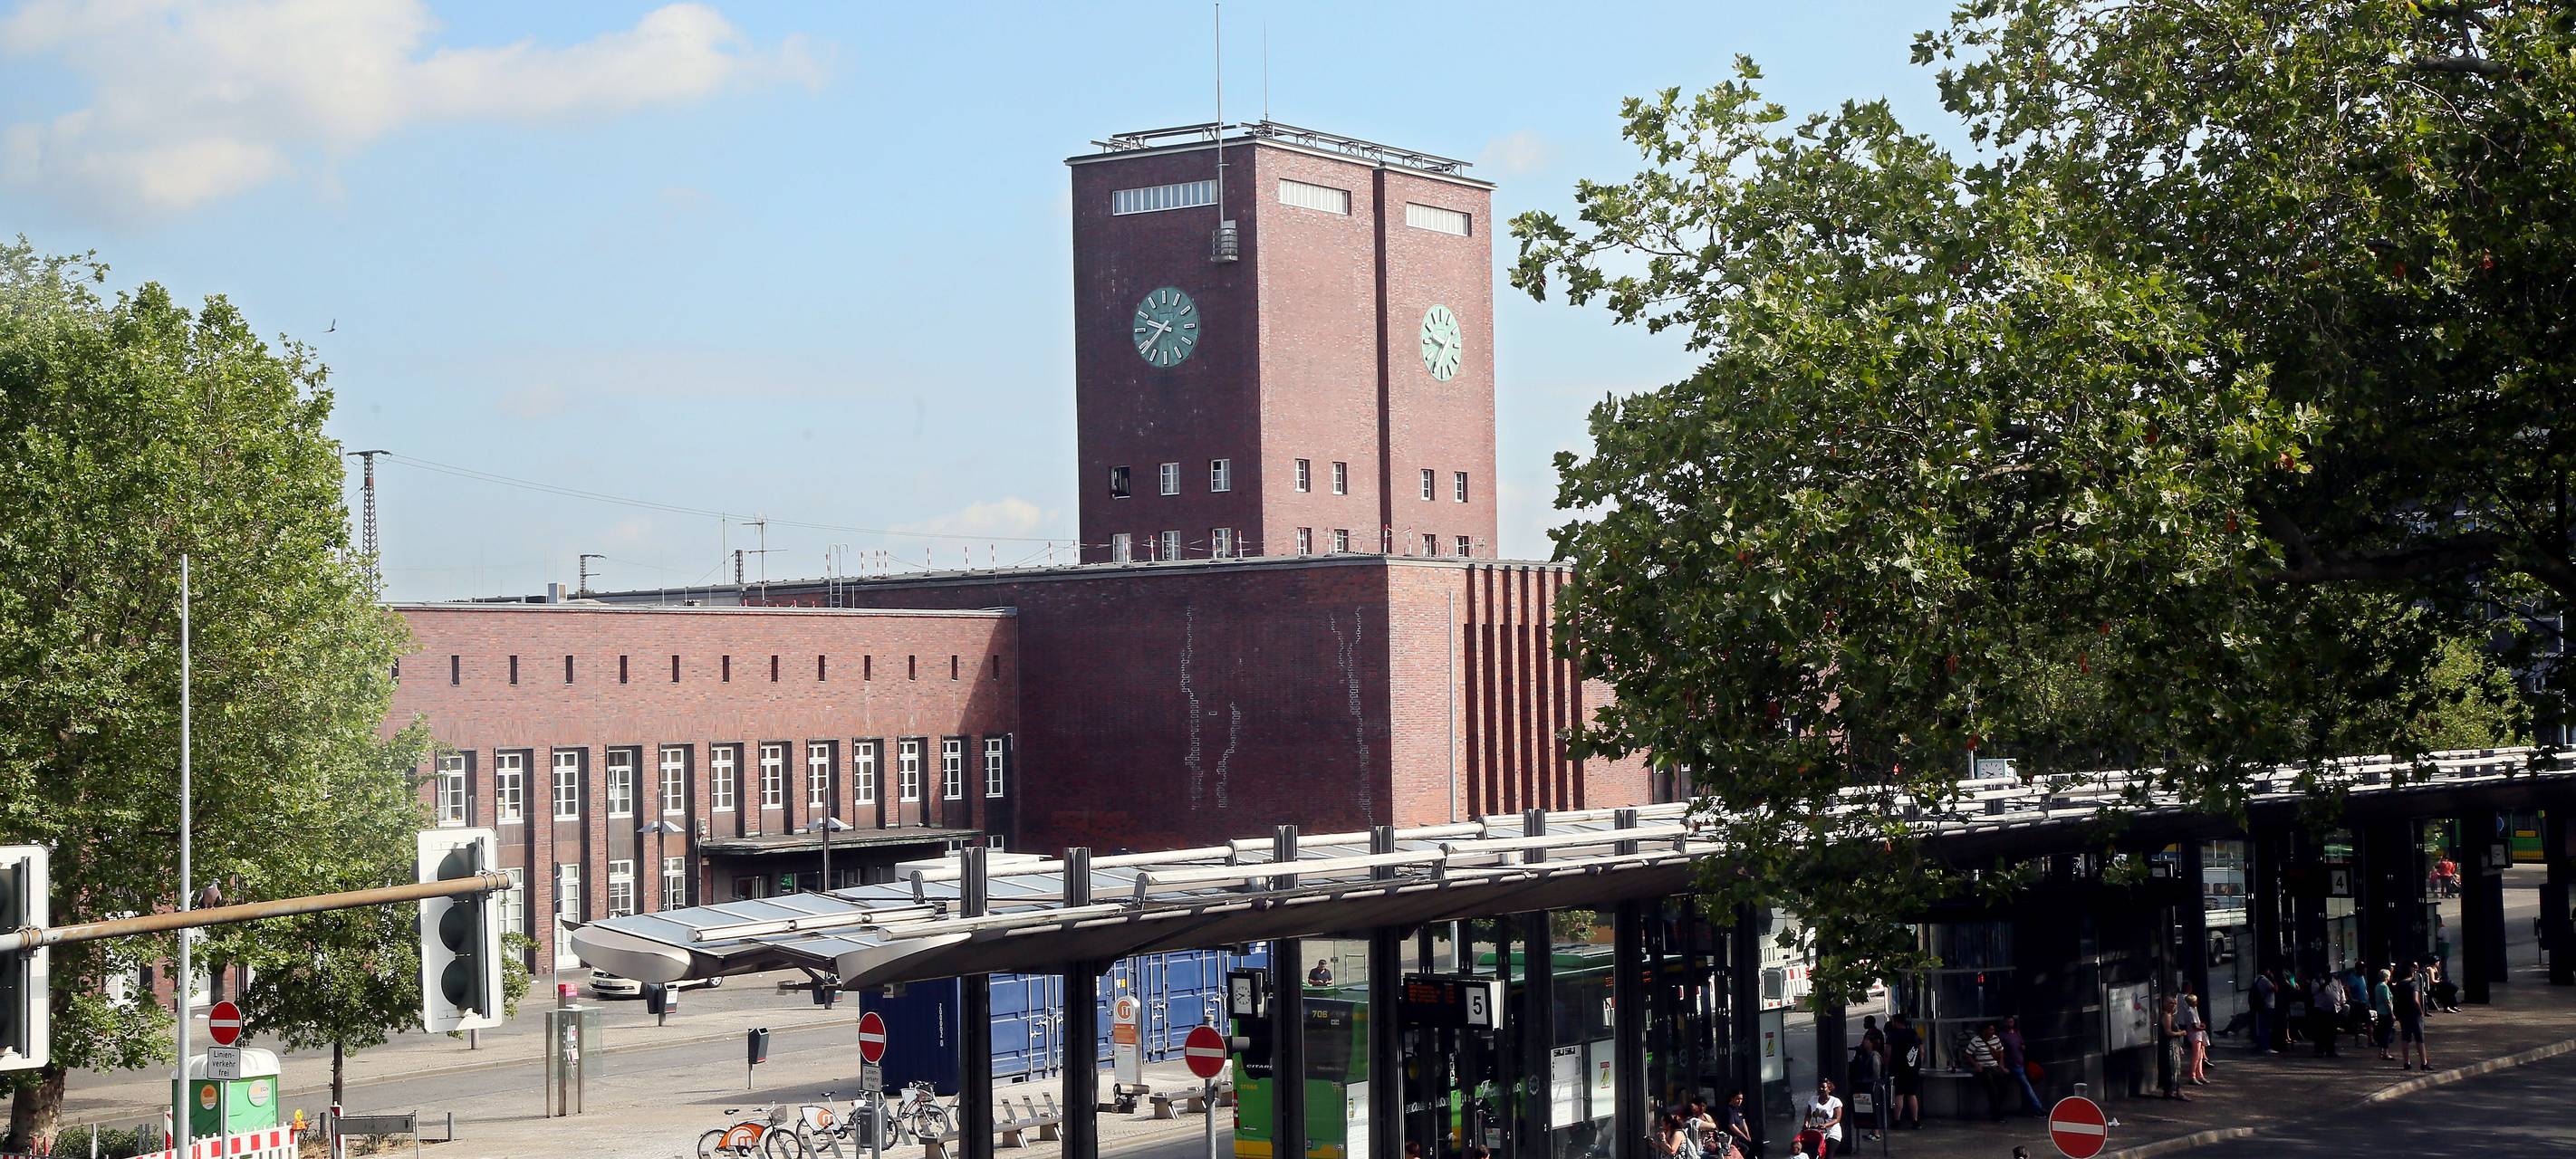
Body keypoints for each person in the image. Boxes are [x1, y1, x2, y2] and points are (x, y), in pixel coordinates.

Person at [2000, 1014, 2047, 1116]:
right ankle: (2038, 1107)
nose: (2010, 1024)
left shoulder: (2017, 1033)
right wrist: (2003, 1066)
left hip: (2021, 1063)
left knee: (2023, 1086)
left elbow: (2022, 1044)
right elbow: (2001, 1053)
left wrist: (2023, 1047)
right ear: (2004, 1023)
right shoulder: (2003, 1035)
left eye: (2011, 1022)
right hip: (2013, 1065)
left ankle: (2030, 1108)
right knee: (2026, 1086)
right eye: (2008, 1022)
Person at [1963, 1021, 2011, 1121]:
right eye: (1990, 1030)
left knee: (2004, 1088)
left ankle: (1996, 1108)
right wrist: (1976, 1065)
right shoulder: (1975, 1040)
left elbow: (2001, 1052)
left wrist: (2001, 1065)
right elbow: (1968, 1054)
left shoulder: (1996, 1039)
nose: (1992, 1032)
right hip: (1984, 1069)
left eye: (1993, 1030)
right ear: (1984, 1031)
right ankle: (1996, 1115)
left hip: (1995, 1067)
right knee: (1992, 1089)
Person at [1885, 1011, 1923, 1130]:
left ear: (1896, 1022)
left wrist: (1886, 1067)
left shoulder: (1893, 1035)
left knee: (1899, 1094)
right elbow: (1921, 1051)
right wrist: (1917, 1065)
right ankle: (1915, 1120)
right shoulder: (1914, 1033)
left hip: (1897, 1068)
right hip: (1912, 1069)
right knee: (1911, 1094)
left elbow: (1888, 1053)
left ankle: (1896, 1119)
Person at [2391, 960, 2431, 1071]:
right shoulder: (2413, 984)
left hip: (2403, 1013)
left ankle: (2406, 1062)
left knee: (2405, 1038)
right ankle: (2424, 1063)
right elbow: (2415, 1000)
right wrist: (2421, 1011)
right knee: (2419, 1039)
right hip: (2414, 1014)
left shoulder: (2400, 984)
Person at [2157, 995, 2191, 1100]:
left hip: (2171, 1045)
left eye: (2175, 1003)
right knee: (2173, 1068)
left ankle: (2169, 1091)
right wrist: (2181, 1033)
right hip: (2169, 1047)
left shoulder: (2170, 1016)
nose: (2174, 1005)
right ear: (2165, 1004)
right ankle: (2178, 1091)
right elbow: (2168, 1032)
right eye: (2171, 1003)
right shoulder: (2166, 1015)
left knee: (2171, 1068)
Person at [1799, 1079, 1844, 1158]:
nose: (1821, 1089)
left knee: (1828, 1155)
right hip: (1816, 1133)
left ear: (1829, 1089)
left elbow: (1837, 1119)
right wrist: (1806, 1123)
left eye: (1823, 1087)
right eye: (1820, 1087)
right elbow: (1808, 1115)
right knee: (1813, 1154)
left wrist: (1825, 1125)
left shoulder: (1835, 1101)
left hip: (1832, 1133)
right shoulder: (1813, 1099)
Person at [2179, 990, 2209, 1084]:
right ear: (2193, 1002)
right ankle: (2192, 1076)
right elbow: (2194, 1026)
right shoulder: (2190, 1011)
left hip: (2197, 1035)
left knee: (2200, 1055)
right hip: (2195, 1035)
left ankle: (2199, 1074)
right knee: (2196, 1056)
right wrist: (2202, 1027)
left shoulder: (2193, 1009)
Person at [2369, 966, 2397, 1060]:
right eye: (2388, 976)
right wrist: (2392, 1014)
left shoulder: (2377, 986)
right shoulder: (2384, 987)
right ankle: (2386, 1053)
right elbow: (2387, 1001)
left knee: (2382, 1032)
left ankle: (2380, 1052)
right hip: (2386, 1013)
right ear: (2386, 977)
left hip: (2380, 1012)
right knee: (2387, 1033)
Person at [2249, 968, 2277, 1054]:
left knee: (2261, 1027)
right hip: (2267, 1006)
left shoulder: (2257, 979)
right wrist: (2273, 978)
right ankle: (2266, 1047)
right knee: (2266, 1027)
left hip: (2261, 1006)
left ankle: (2261, 1045)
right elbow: (2275, 989)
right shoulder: (2265, 980)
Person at [1725, 1091, 1758, 1159]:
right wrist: (1743, 1136)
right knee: (1746, 1148)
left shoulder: (1739, 1109)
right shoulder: (1728, 1110)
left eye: (1741, 1099)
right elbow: (1732, 1126)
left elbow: (1743, 1122)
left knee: (1757, 1144)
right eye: (1738, 1099)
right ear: (1732, 1098)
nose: (1740, 1101)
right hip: (1733, 1137)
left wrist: (1747, 1135)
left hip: (1741, 1137)